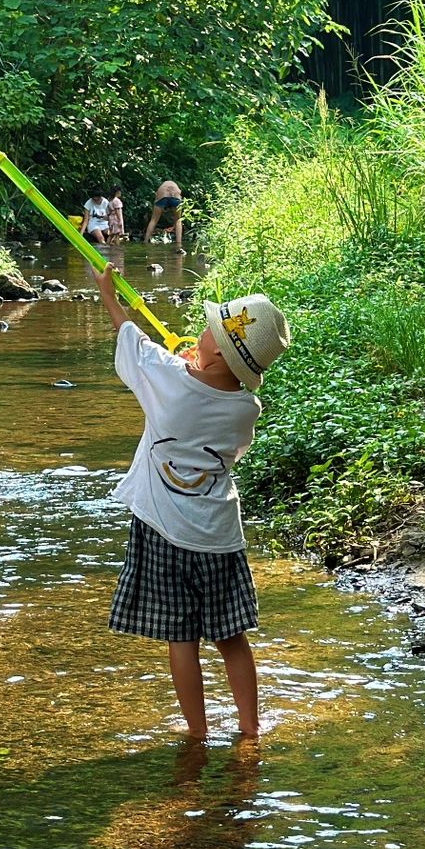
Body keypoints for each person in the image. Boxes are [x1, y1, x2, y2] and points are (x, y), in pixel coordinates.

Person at [94, 265, 290, 740]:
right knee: (230, 636)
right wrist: (196, 367)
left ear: (219, 353)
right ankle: (249, 728)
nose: (200, 332)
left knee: (180, 639)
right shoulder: (247, 408)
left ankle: (198, 733)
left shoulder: (168, 378)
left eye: (208, 330)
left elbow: (132, 341)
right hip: (219, 536)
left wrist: (108, 294)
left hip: (162, 530)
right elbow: (231, 450)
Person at [143, 179, 184, 246]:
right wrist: (174, 226)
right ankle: (179, 243)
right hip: (176, 197)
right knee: (178, 221)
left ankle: (146, 241)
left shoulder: (162, 187)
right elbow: (179, 193)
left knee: (153, 220)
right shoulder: (176, 187)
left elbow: (157, 196)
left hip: (162, 195)